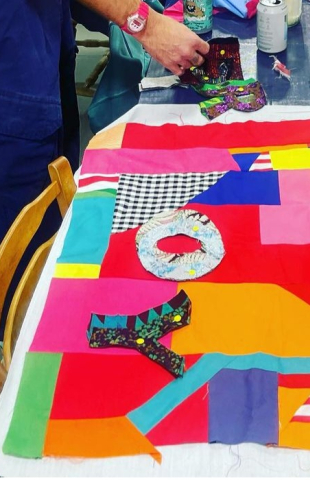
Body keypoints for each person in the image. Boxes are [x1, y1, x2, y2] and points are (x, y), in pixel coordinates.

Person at [0, 0, 209, 333]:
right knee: (24, 267)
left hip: (38, 36)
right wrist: (147, 25)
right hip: (13, 64)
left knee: (58, 225)